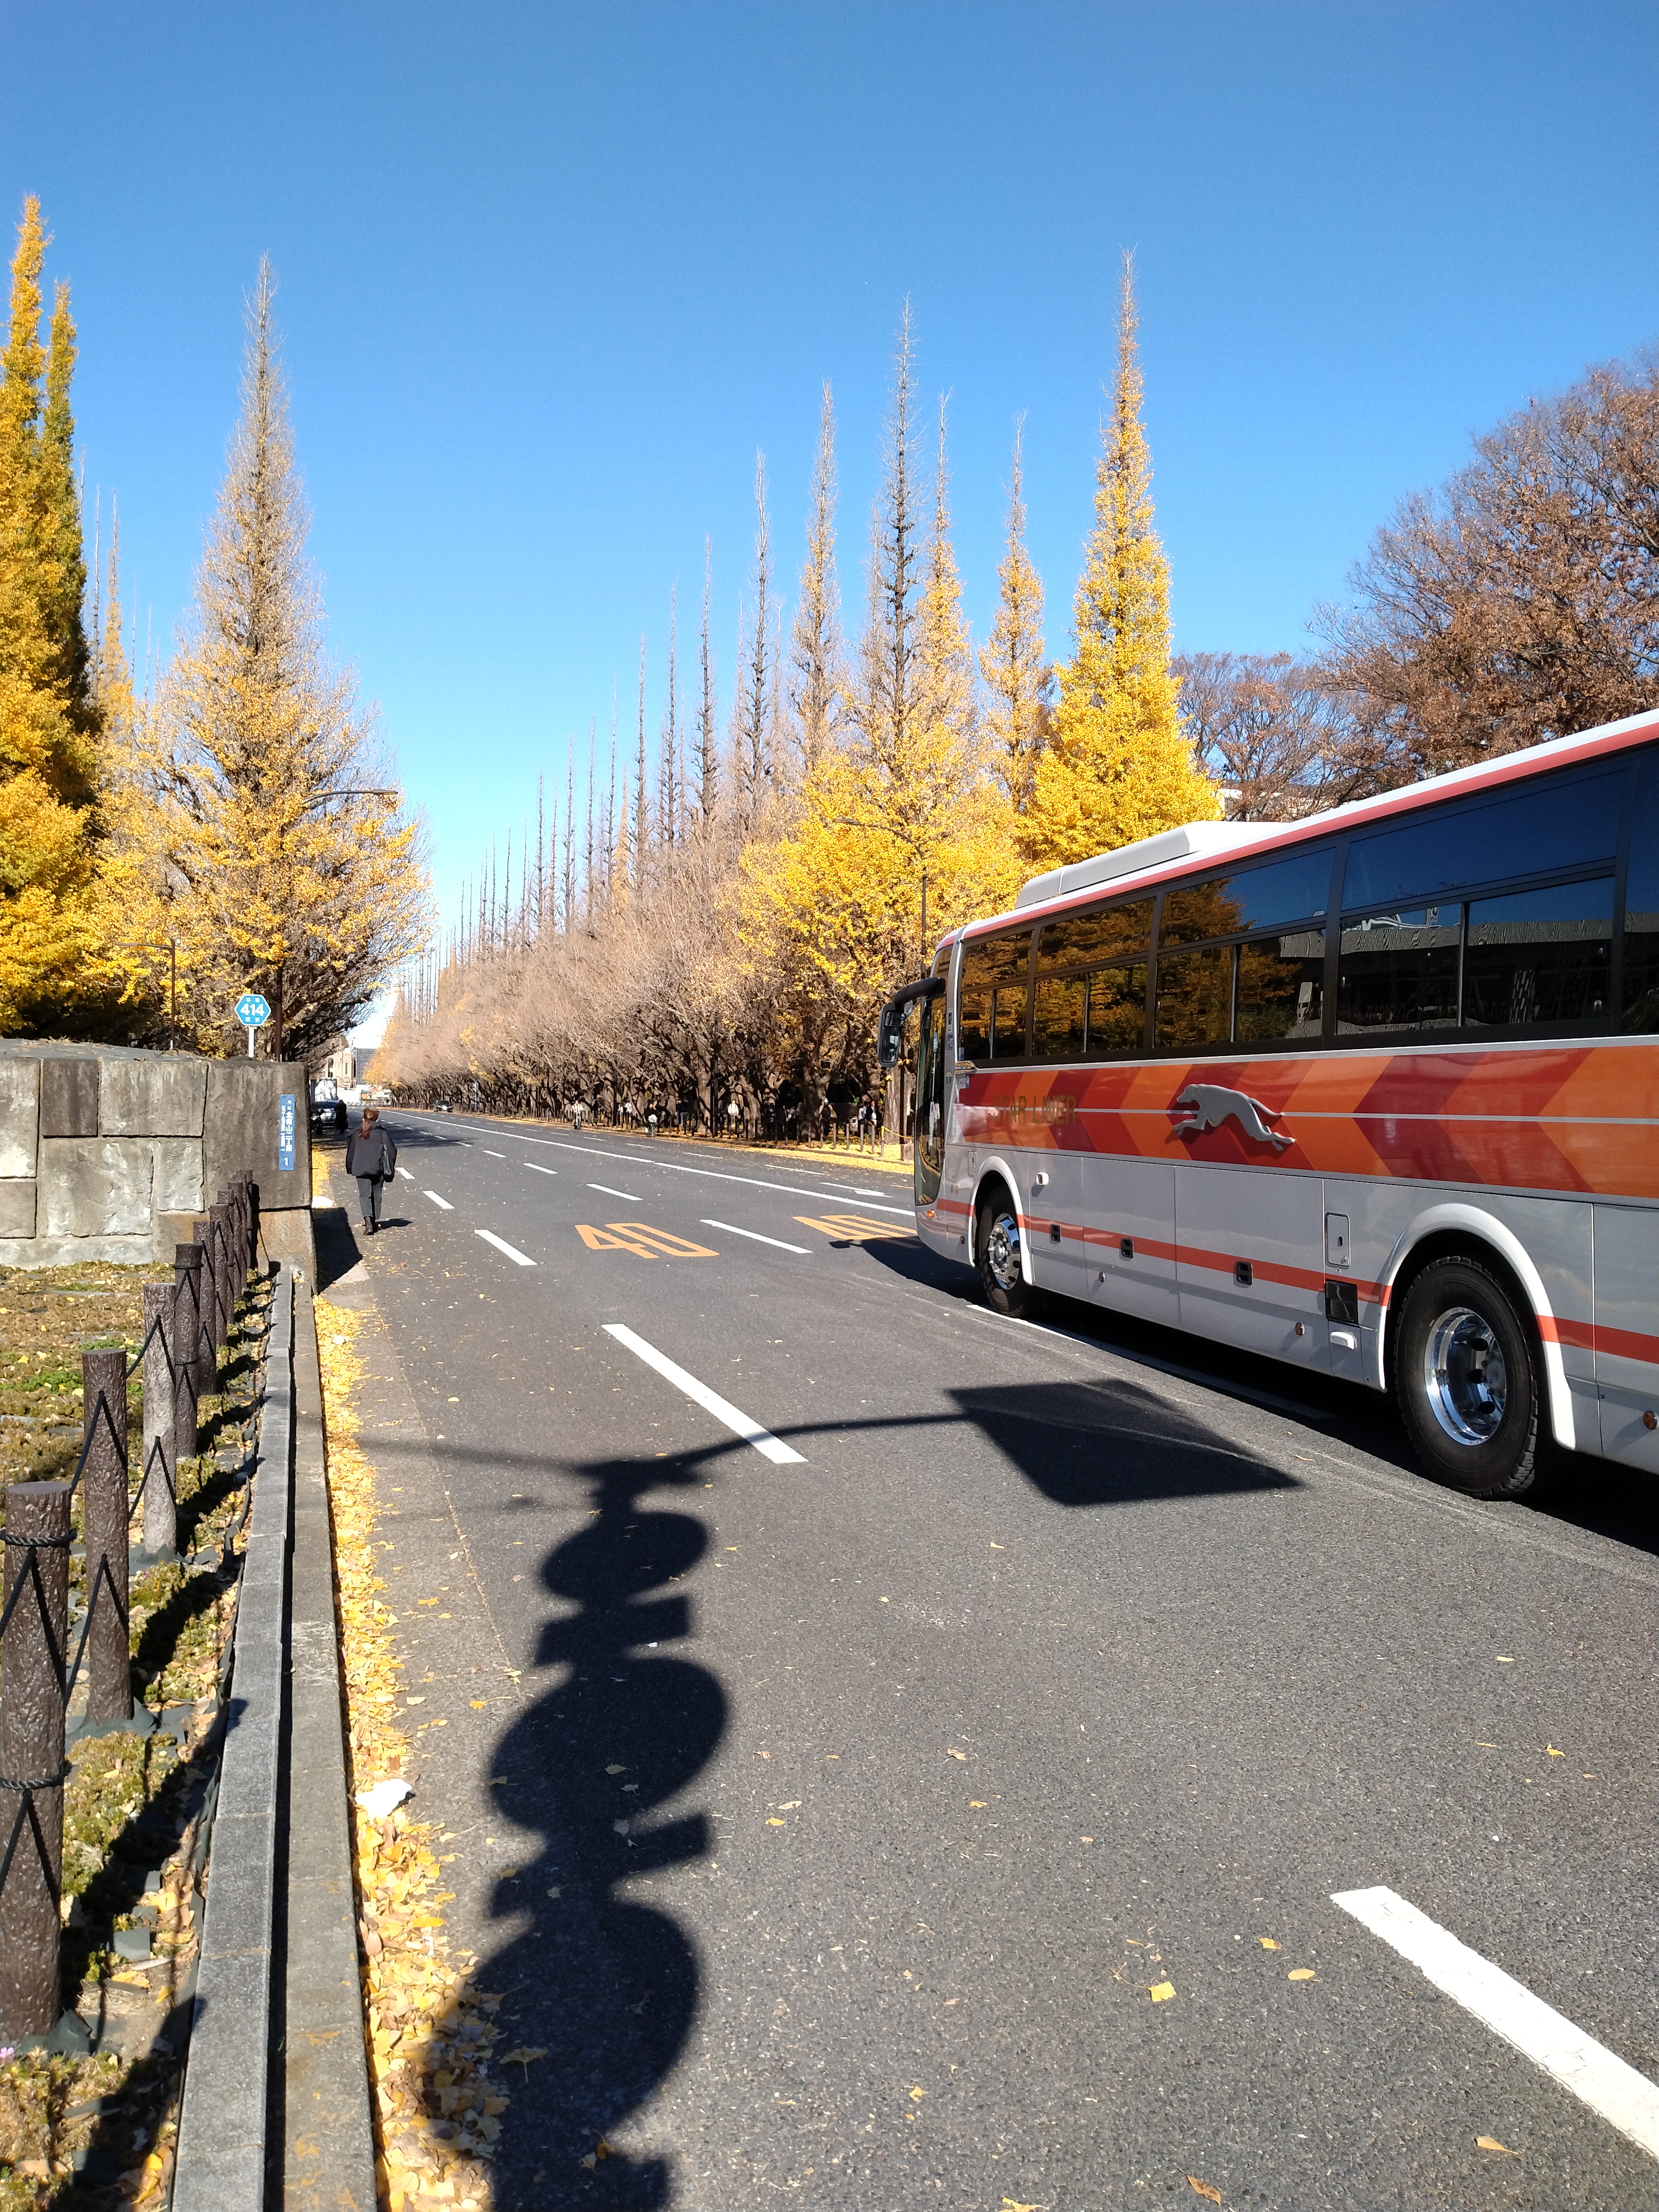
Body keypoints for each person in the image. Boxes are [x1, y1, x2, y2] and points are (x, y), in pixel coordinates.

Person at [345, 1106, 397, 1236]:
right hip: (378, 1168)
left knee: (365, 1195)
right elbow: (392, 1150)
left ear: (364, 1118)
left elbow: (351, 1152)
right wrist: (390, 1167)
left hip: (360, 1168)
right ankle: (374, 1222)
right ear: (377, 1118)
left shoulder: (357, 1132)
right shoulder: (382, 1133)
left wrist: (350, 1167)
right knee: (376, 1194)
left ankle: (368, 1221)